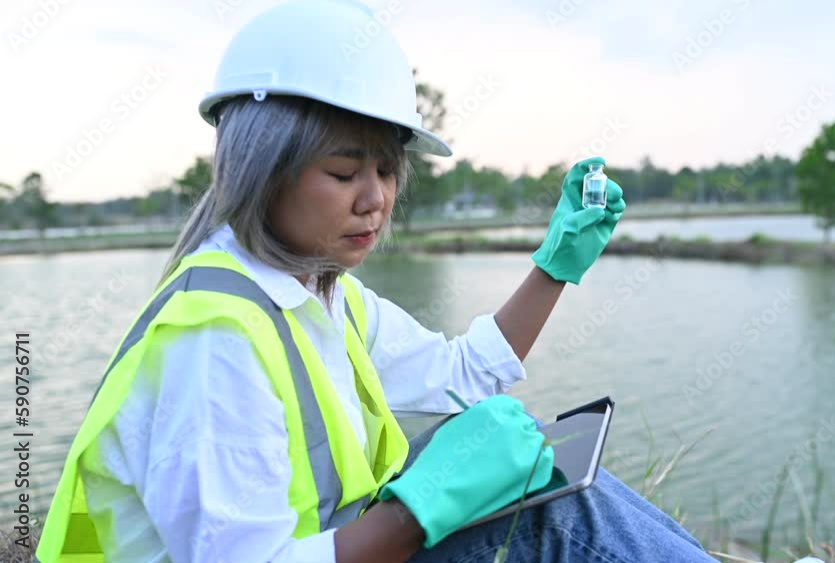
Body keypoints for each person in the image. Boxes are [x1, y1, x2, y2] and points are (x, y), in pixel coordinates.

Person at [36, 1, 717, 561]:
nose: (375, 199)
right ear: (261, 166)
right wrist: (421, 509)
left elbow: (459, 372)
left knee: (554, 475)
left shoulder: (325, 295)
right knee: (550, 521)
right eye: (344, 172)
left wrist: (553, 267)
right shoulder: (213, 341)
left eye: (387, 172)